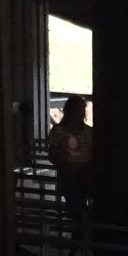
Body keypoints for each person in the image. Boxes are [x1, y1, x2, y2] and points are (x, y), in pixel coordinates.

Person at [47, 95, 94, 239]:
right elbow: (52, 154)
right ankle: (80, 233)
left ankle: (79, 234)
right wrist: (64, 165)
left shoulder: (89, 132)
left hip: (85, 174)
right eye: (79, 109)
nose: (81, 113)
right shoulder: (58, 131)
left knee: (80, 205)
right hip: (67, 175)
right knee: (75, 205)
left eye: (83, 109)